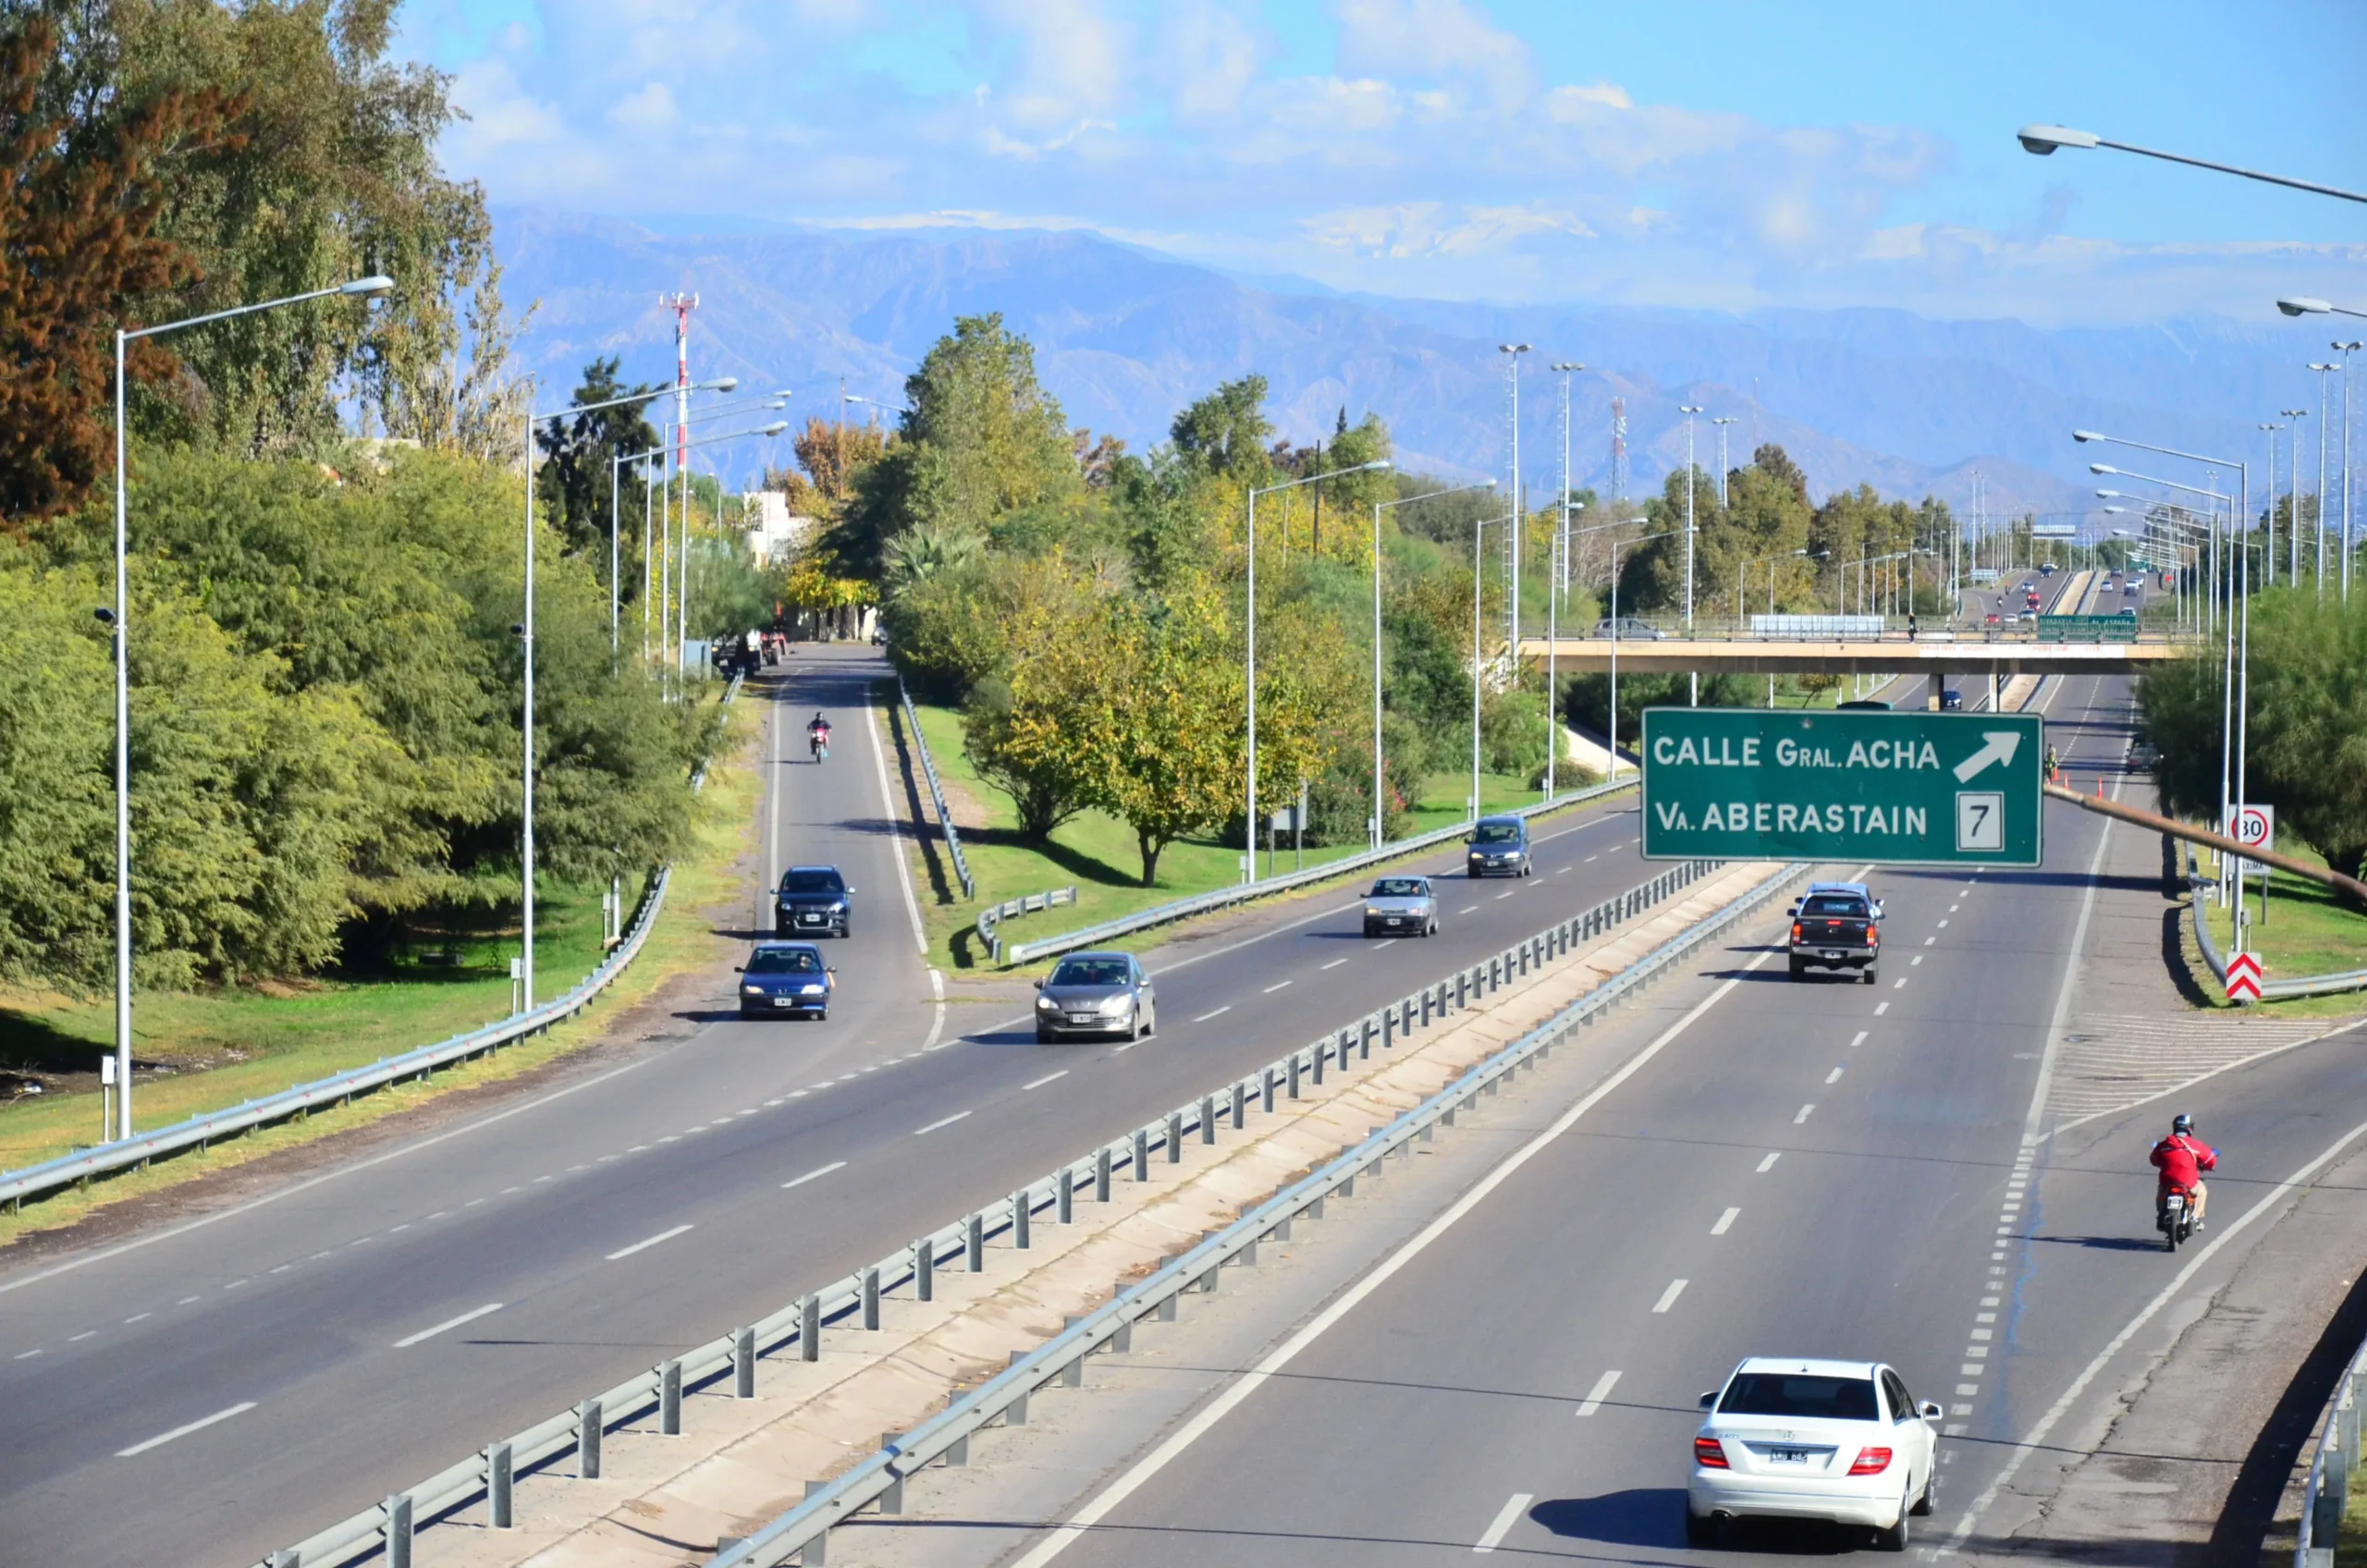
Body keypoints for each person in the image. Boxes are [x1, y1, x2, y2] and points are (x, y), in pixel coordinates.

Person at [2150, 1113, 2215, 1228]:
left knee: (2161, 1191)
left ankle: (2161, 1213)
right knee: (2201, 1192)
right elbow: (2209, 1158)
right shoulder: (2195, 1145)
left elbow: (2154, 1160)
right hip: (2188, 1182)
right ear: (2190, 1128)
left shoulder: (2163, 1145)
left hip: (2167, 1181)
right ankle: (2195, 1217)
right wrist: (2208, 1167)